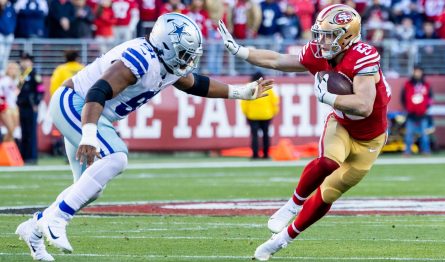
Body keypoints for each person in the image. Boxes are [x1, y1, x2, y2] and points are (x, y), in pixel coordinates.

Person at [14, 13, 273, 261]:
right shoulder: (141, 57)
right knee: (116, 158)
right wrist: (90, 134)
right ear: (166, 45)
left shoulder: (165, 62)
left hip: (92, 112)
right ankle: (57, 219)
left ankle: (35, 228)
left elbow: (197, 84)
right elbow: (97, 91)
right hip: (77, 104)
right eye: (183, 53)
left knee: (89, 188)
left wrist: (241, 92)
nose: (187, 60)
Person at [219, 4, 391, 260]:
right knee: (327, 162)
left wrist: (329, 97)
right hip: (342, 125)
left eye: (330, 35)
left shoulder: (363, 57)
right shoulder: (320, 52)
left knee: (329, 192)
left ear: (348, 36)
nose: (322, 40)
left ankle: (281, 241)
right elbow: (279, 60)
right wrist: (241, 51)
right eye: (320, 33)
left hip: (371, 140)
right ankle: (291, 205)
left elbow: (365, 106)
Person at [241, 71, 279, 159]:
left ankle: (255, 155)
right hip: (266, 115)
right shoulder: (267, 87)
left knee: (254, 135)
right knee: (266, 135)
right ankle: (266, 154)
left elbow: (244, 103)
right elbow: (274, 102)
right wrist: (273, 113)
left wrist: (246, 113)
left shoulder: (249, 87)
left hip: (252, 115)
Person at [17, 53, 44, 164]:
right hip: (22, 106)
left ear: (31, 62)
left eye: (26, 60)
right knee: (24, 131)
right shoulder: (21, 74)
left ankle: (32, 157)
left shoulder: (34, 74)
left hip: (31, 107)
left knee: (31, 132)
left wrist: (36, 103)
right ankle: (23, 155)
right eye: (22, 60)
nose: (24, 63)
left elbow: (41, 90)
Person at [401, 66, 432, 155]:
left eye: (419, 71)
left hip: (423, 114)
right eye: (416, 71)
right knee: (409, 134)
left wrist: (427, 108)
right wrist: (406, 108)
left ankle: (426, 151)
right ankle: (407, 151)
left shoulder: (426, 85)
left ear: (422, 73)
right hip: (411, 114)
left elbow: (430, 98)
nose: (417, 73)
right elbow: (403, 97)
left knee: (424, 134)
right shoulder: (408, 84)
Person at [0, 61, 20, 142]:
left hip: (14, 107)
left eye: (14, 68)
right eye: (11, 68)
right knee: (10, 129)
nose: (12, 70)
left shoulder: (17, 81)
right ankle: (3, 149)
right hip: (6, 107)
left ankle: (8, 149)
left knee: (14, 130)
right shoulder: (4, 80)